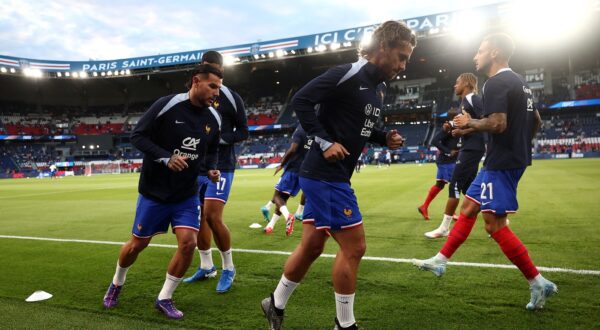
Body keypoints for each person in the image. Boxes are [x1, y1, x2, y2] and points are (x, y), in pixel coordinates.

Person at [261, 20, 414, 330]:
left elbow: (359, 128)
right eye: (401, 56)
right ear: (382, 47)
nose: (402, 65)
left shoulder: (376, 88)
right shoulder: (349, 72)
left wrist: (384, 137)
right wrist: (324, 140)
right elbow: (301, 100)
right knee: (354, 247)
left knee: (312, 246)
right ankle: (345, 325)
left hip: (332, 175)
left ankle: (274, 304)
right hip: (324, 175)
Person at [412, 33, 557, 310]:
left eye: (480, 51)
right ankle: (441, 261)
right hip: (504, 160)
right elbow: (535, 119)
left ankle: (538, 282)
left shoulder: (496, 82)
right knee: (467, 209)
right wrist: (520, 146)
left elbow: (498, 123)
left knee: (494, 226)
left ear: (495, 53)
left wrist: (470, 122)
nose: (475, 56)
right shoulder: (520, 82)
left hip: (501, 163)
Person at [102, 63, 222, 319]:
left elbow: (212, 149)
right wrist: (165, 158)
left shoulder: (214, 118)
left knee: (188, 243)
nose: (216, 93)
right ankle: (116, 283)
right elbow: (138, 136)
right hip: (154, 192)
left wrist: (211, 168)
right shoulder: (167, 105)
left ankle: (164, 297)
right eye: (212, 86)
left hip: (186, 194)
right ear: (196, 81)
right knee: (137, 245)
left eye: (219, 88)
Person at [183, 51, 248, 293]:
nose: (208, 70)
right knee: (198, 217)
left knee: (212, 215)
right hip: (196, 165)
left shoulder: (230, 97)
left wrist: (217, 139)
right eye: (205, 66)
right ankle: (206, 266)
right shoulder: (193, 95)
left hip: (221, 165)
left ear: (221, 69)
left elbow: (244, 131)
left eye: (212, 67)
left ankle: (229, 268)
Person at [424, 73, 486, 238]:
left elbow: (486, 121)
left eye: (457, 82)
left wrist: (463, 131)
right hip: (471, 146)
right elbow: (467, 122)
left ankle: (444, 228)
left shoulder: (474, 99)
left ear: (466, 83)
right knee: (468, 188)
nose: (454, 85)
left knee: (454, 186)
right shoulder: (464, 103)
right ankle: (496, 217)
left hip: (473, 147)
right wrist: (450, 126)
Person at [261, 124, 312, 235]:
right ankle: (270, 226)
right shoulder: (314, 131)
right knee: (283, 200)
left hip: (292, 170)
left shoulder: (300, 129)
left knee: (277, 197)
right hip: (303, 171)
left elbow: (293, 149)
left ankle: (288, 216)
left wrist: (282, 164)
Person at [417, 119, 459, 220]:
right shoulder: (450, 126)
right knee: (454, 185)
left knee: (440, 185)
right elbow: (434, 141)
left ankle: (424, 207)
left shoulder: (463, 125)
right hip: (447, 162)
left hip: (449, 161)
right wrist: (448, 151)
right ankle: (451, 212)